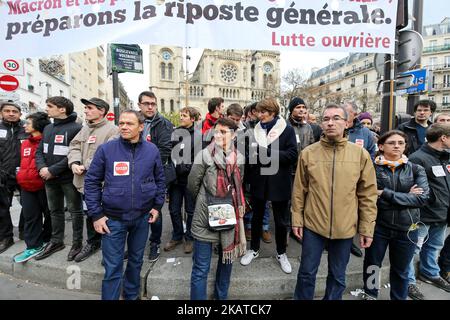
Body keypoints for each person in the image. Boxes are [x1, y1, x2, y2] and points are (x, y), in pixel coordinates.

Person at [291, 104, 377, 300]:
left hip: (345, 227)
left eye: (336, 118)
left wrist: (366, 228)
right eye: (326, 119)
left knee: (338, 276)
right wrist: (296, 219)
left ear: (347, 123)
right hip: (313, 225)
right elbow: (299, 191)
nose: (330, 123)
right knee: (306, 274)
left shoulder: (360, 155)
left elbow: (368, 195)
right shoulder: (308, 153)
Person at [84, 110, 165, 300]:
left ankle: (131, 295)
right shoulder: (107, 149)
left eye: (129, 123)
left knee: (136, 261)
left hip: (142, 217)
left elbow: (160, 180)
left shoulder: (152, 150)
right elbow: (91, 182)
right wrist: (96, 215)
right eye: (121, 123)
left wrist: (157, 206)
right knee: (113, 267)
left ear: (141, 126)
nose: (124, 127)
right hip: (113, 219)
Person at [362, 130, 429, 300]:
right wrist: (407, 196)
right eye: (392, 143)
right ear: (381, 146)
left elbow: (421, 199)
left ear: (405, 146)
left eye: (401, 143)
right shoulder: (371, 168)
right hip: (378, 226)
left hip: (407, 228)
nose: (397, 146)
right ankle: (370, 294)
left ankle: (398, 297)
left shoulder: (415, 169)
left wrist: (384, 193)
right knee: (372, 265)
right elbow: (367, 197)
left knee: (401, 269)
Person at [188, 117, 246, 300]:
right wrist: (207, 200)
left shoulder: (239, 157)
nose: (219, 135)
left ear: (234, 135)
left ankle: (221, 297)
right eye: (217, 131)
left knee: (226, 262)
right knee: (201, 267)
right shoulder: (204, 154)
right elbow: (192, 184)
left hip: (229, 216)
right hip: (205, 216)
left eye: (224, 132)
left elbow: (238, 185)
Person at [240, 98, 298, 274]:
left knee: (281, 221)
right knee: (256, 219)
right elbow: (249, 155)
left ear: (272, 112)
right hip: (259, 181)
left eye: (263, 112)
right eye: (258, 112)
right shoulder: (254, 130)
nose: (259, 115)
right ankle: (254, 249)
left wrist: (268, 154)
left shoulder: (286, 129)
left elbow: (293, 155)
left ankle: (281, 253)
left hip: (279, 182)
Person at [68, 98, 119, 262]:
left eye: (89, 108)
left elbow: (108, 154)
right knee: (90, 213)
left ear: (102, 111)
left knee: (106, 215)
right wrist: (74, 163)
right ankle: (93, 242)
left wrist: (85, 165)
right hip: (83, 182)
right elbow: (74, 146)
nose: (86, 111)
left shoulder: (113, 130)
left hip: (102, 184)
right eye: (85, 108)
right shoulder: (84, 129)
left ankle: (109, 248)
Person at [34, 97, 83, 261]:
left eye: (50, 106)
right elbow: (40, 151)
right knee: (54, 211)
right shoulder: (48, 128)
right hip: (49, 178)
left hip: (68, 178)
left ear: (62, 109)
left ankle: (77, 244)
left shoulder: (77, 128)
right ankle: (56, 241)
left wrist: (53, 170)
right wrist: (42, 168)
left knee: (75, 211)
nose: (46, 109)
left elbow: (74, 153)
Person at [406, 123, 450, 299]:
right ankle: (408, 281)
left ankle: (430, 273)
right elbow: (415, 189)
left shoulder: (446, 157)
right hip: (424, 214)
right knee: (413, 250)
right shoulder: (418, 158)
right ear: (443, 138)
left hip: (443, 212)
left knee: (434, 246)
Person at [137, 91, 173, 262]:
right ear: (139, 105)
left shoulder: (164, 124)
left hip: (155, 174)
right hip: (134, 174)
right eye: (146, 104)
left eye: (153, 104)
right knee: (135, 210)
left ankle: (155, 243)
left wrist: (143, 166)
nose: (150, 107)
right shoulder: (134, 122)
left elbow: (164, 150)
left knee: (155, 210)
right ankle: (135, 244)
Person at [13, 112, 52, 262]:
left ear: (38, 125)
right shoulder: (25, 142)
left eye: (28, 123)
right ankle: (33, 246)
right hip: (26, 187)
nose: (24, 125)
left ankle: (48, 240)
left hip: (44, 186)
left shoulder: (47, 141)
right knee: (30, 217)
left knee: (50, 216)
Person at [164, 107, 202, 254]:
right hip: (174, 180)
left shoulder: (199, 135)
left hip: (189, 180)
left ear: (192, 119)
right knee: (173, 209)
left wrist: (184, 166)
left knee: (190, 210)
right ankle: (177, 236)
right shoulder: (175, 133)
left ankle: (190, 238)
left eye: (184, 116)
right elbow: (170, 153)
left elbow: (199, 158)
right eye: (181, 115)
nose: (181, 118)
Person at [343, 101, 376, 258]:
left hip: (356, 181)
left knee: (353, 213)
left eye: (346, 112)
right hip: (334, 179)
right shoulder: (335, 128)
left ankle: (349, 242)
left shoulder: (365, 133)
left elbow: (371, 155)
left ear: (355, 114)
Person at [0, 101, 27, 254]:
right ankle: (6, 237)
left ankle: (25, 231)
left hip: (24, 174)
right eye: (7, 111)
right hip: (3, 175)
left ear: (20, 114)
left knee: (29, 206)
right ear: (1, 113)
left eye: (14, 111)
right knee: (2, 208)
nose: (11, 113)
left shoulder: (27, 128)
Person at [287, 97, 314, 244]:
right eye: (298, 107)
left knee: (301, 201)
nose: (302, 110)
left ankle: (296, 229)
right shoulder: (284, 126)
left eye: (304, 107)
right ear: (292, 110)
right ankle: (287, 229)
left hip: (303, 171)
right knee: (289, 201)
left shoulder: (308, 127)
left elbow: (311, 147)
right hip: (287, 171)